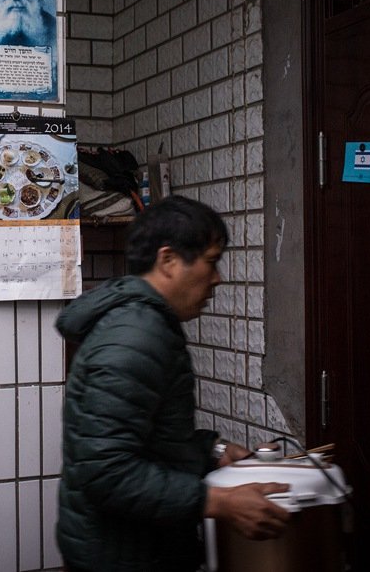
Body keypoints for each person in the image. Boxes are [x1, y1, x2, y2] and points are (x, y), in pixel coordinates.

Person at [55, 196, 291, 571]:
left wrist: (211, 451)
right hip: (122, 557)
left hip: (141, 547)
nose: (217, 278)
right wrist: (217, 502)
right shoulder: (134, 337)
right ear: (167, 261)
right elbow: (105, 471)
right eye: (211, 262)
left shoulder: (146, 324)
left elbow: (149, 444)